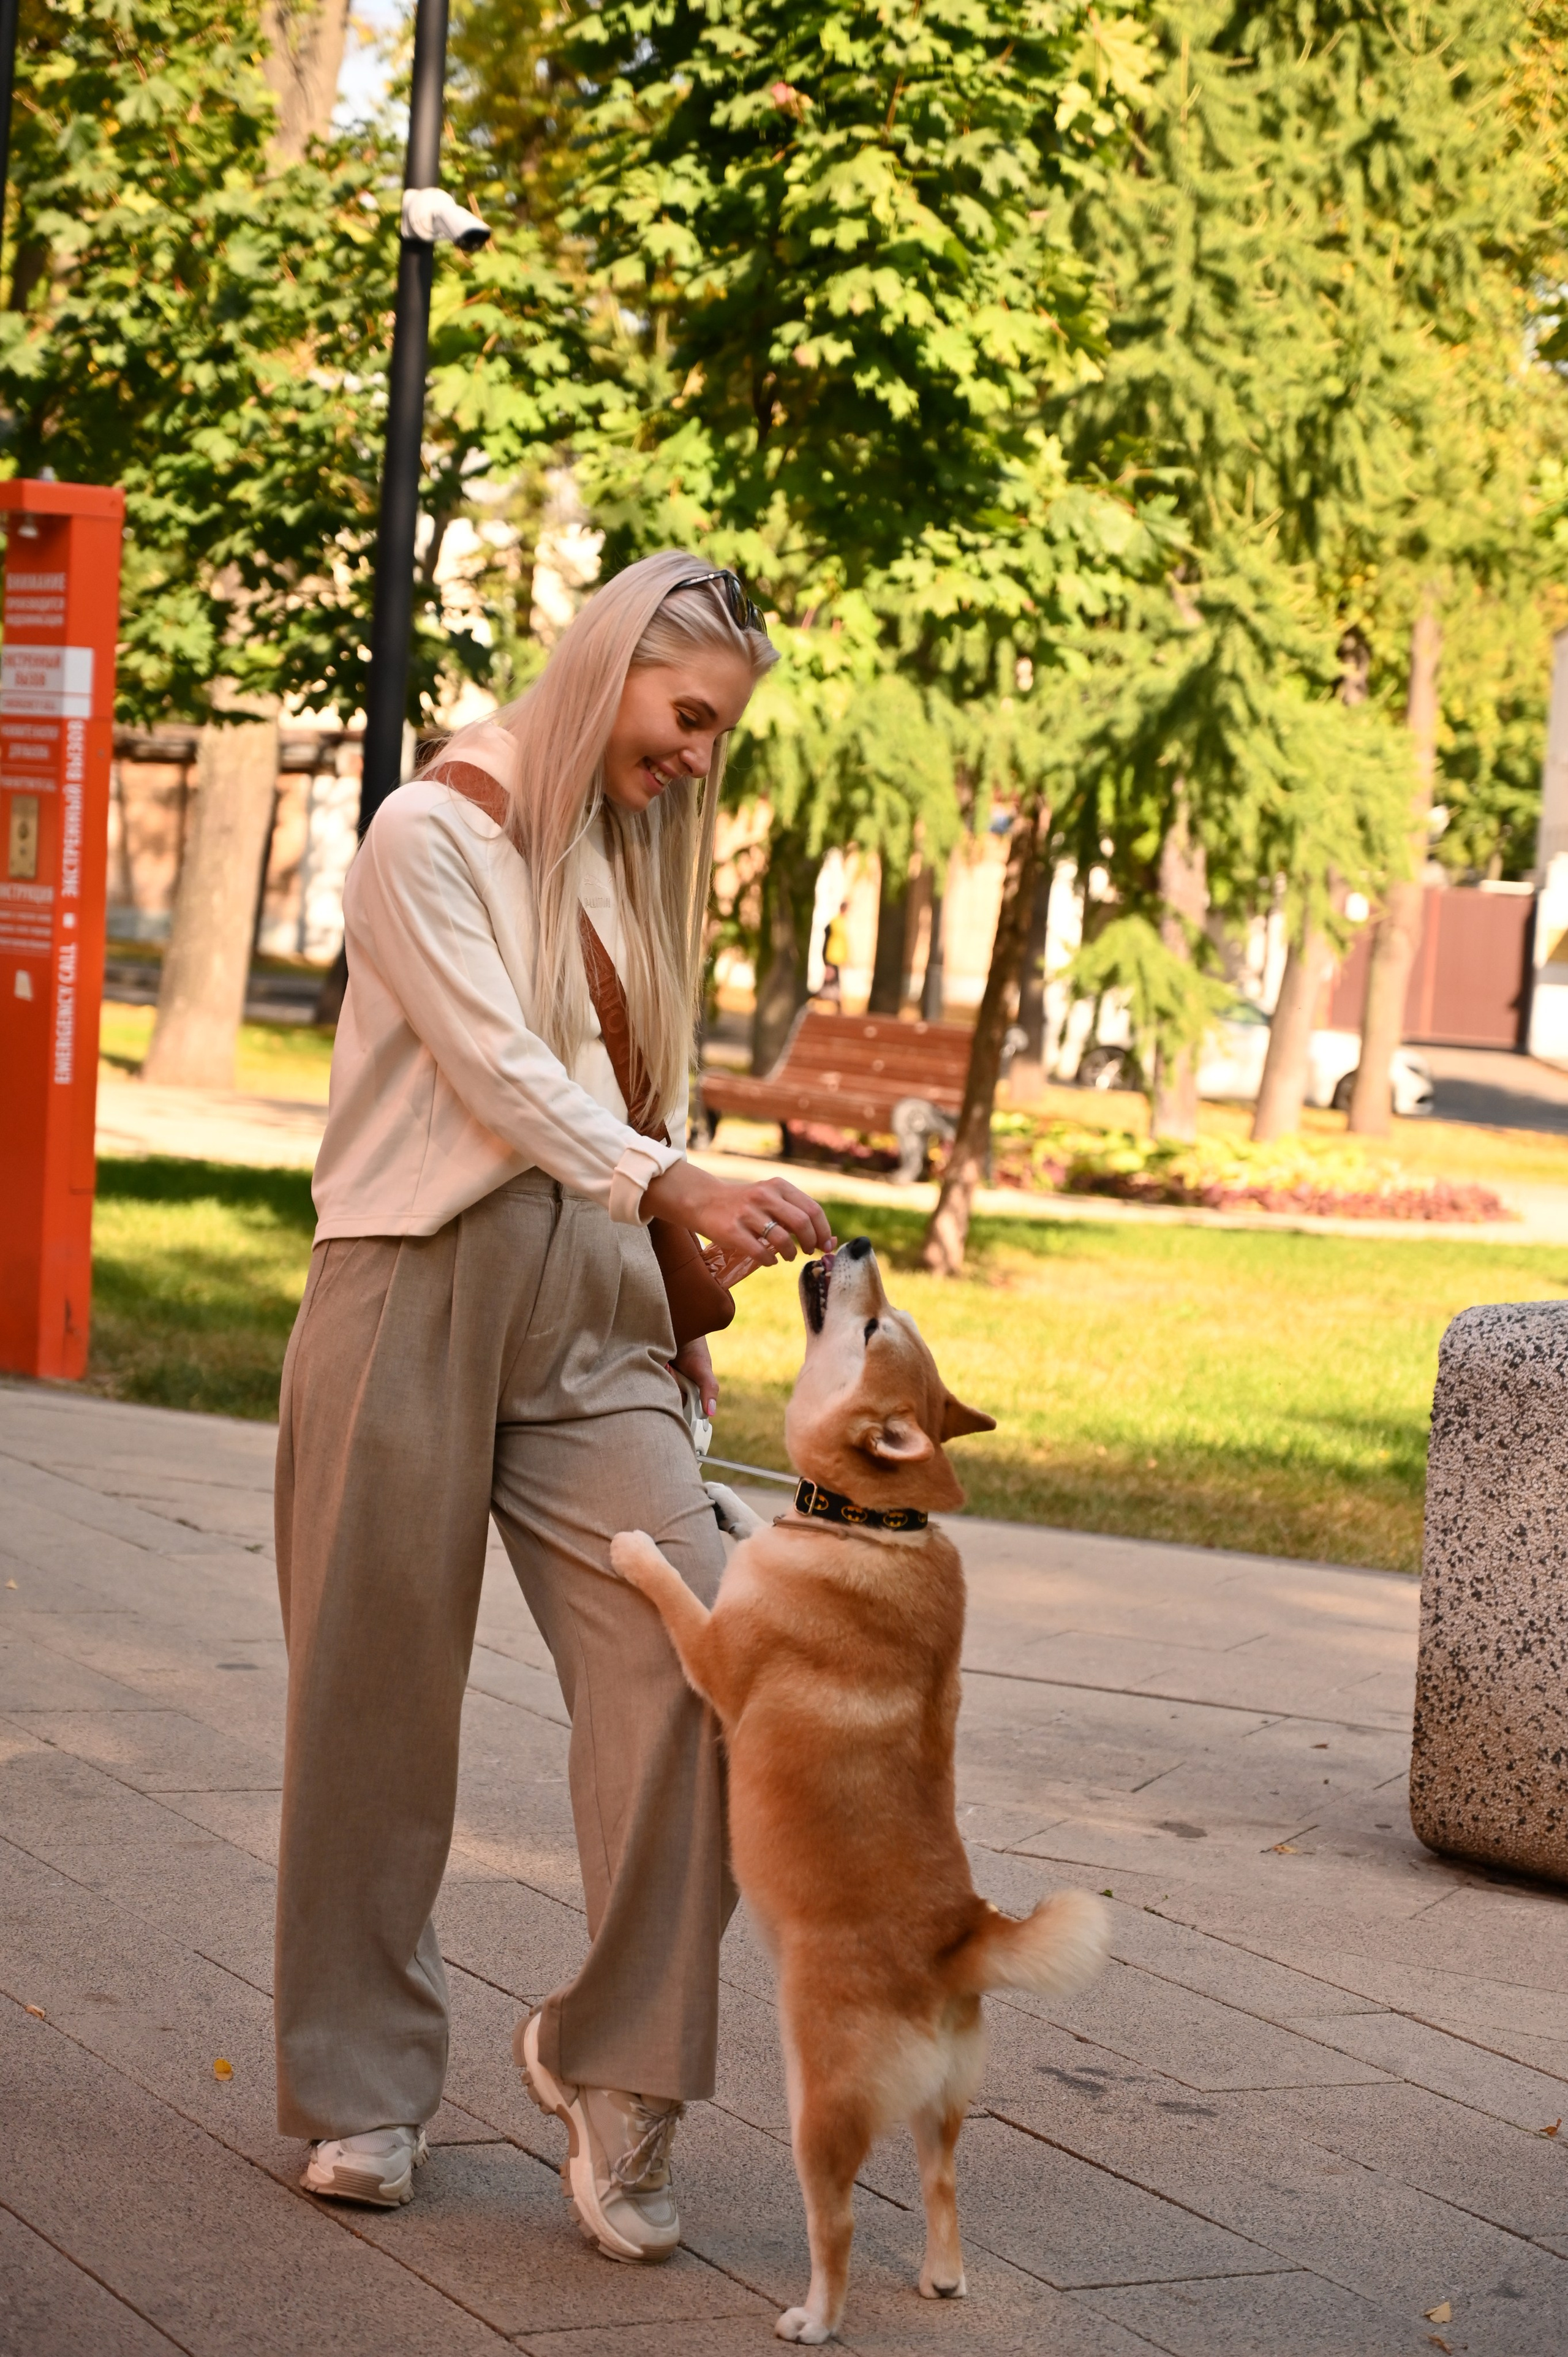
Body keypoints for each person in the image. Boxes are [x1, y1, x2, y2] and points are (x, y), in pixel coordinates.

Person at [272, 551, 830, 2261]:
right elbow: (497, 1071)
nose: (699, 758)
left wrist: (676, 1317)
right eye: (688, 717)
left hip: (594, 1303)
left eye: (721, 733)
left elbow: (621, 1082)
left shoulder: (626, 853)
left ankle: (618, 2068)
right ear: (608, 666)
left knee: (712, 1656)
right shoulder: (424, 838)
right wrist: (672, 1186)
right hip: (412, 1279)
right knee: (374, 1702)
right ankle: (362, 2086)